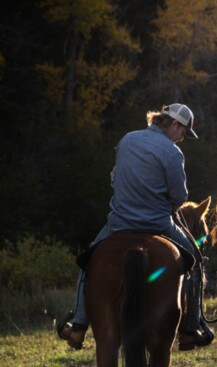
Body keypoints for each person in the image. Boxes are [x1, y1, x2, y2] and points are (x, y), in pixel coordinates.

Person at [58, 103, 209, 350]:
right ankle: (191, 329)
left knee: (87, 262)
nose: (182, 138)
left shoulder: (127, 140)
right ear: (174, 124)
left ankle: (78, 326)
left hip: (119, 223)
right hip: (159, 226)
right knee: (195, 261)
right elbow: (180, 198)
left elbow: (115, 179)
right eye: (183, 132)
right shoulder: (172, 153)